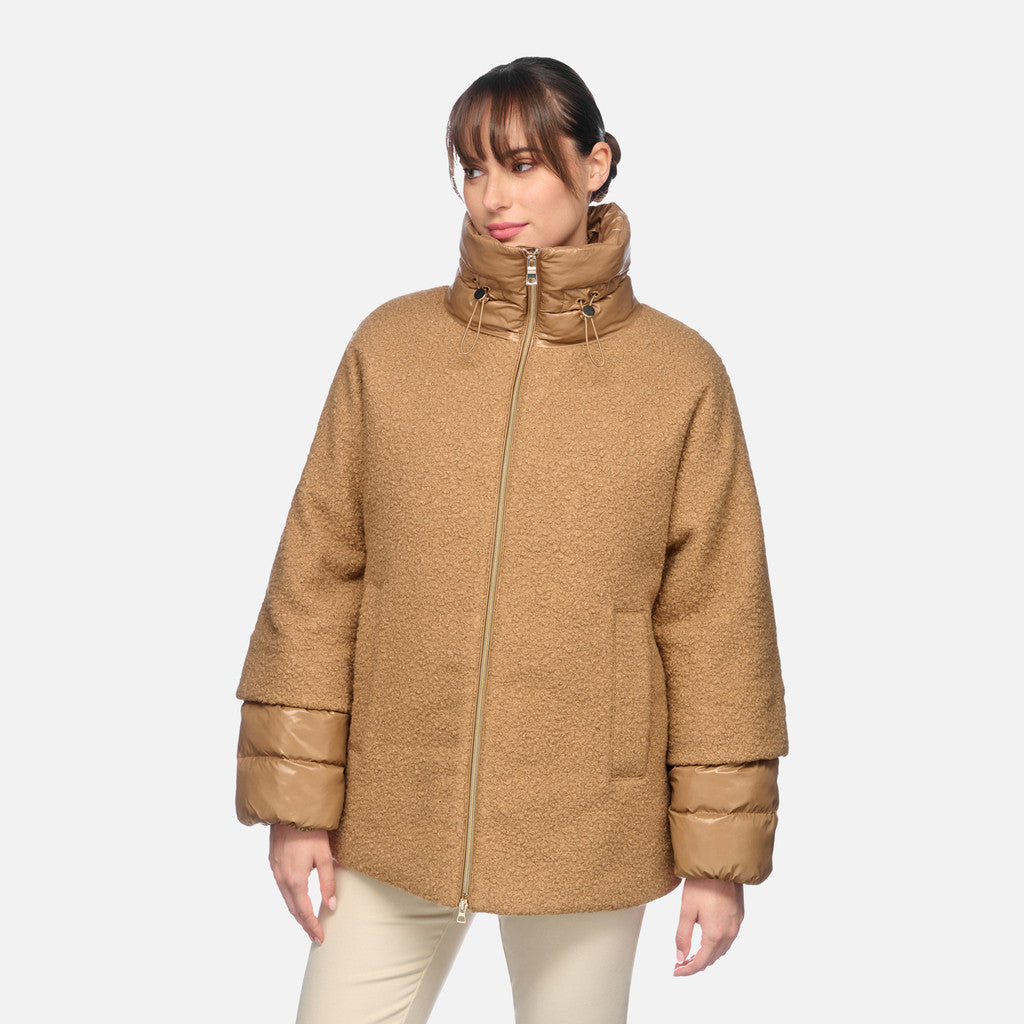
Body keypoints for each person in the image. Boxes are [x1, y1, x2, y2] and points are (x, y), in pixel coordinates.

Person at [234, 56, 789, 1024]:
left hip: (589, 816)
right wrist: (295, 802)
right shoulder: (390, 347)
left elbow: (717, 622)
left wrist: (717, 859)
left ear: (595, 163)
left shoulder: (679, 374)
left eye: (524, 164)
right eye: (474, 167)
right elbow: (316, 578)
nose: (493, 196)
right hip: (396, 803)